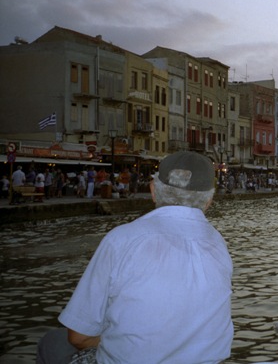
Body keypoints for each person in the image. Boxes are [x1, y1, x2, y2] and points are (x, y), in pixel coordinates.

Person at [37, 151, 233, 364]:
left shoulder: (122, 239)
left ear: (153, 191)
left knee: (52, 342)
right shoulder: (218, 244)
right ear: (209, 200)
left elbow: (78, 337)